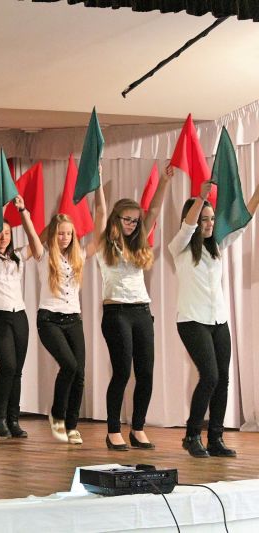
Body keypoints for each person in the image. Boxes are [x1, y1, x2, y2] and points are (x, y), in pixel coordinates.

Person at [169, 179, 259, 458]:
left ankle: (216, 439)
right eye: (204, 219)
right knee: (209, 376)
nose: (209, 224)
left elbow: (241, 223)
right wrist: (201, 198)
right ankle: (192, 435)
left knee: (223, 379)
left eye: (211, 219)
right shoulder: (180, 247)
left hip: (218, 321)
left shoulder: (217, 245)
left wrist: (257, 193)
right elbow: (188, 226)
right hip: (192, 321)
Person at [97, 165, 175, 451]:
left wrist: (164, 181)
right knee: (122, 372)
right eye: (127, 219)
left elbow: (153, 210)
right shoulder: (105, 243)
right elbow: (99, 212)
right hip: (116, 312)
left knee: (146, 373)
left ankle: (138, 428)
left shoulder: (137, 243)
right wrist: (97, 182)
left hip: (141, 311)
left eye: (134, 221)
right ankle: (113, 431)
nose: (131, 224)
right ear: (116, 219)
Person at [32, 187, 104, 445]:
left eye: (68, 233)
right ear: (54, 234)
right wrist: (25, 214)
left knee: (80, 373)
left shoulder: (79, 256)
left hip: (73, 318)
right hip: (49, 319)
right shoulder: (44, 256)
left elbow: (101, 225)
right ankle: (57, 415)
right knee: (70, 365)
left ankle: (72, 426)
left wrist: (99, 189)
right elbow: (32, 237)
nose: (64, 237)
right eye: (60, 233)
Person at [0, 195, 40, 438]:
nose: (3, 237)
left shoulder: (17, 257)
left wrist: (23, 212)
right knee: (8, 366)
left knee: (17, 370)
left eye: (7, 233)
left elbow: (36, 245)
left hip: (18, 316)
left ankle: (14, 419)